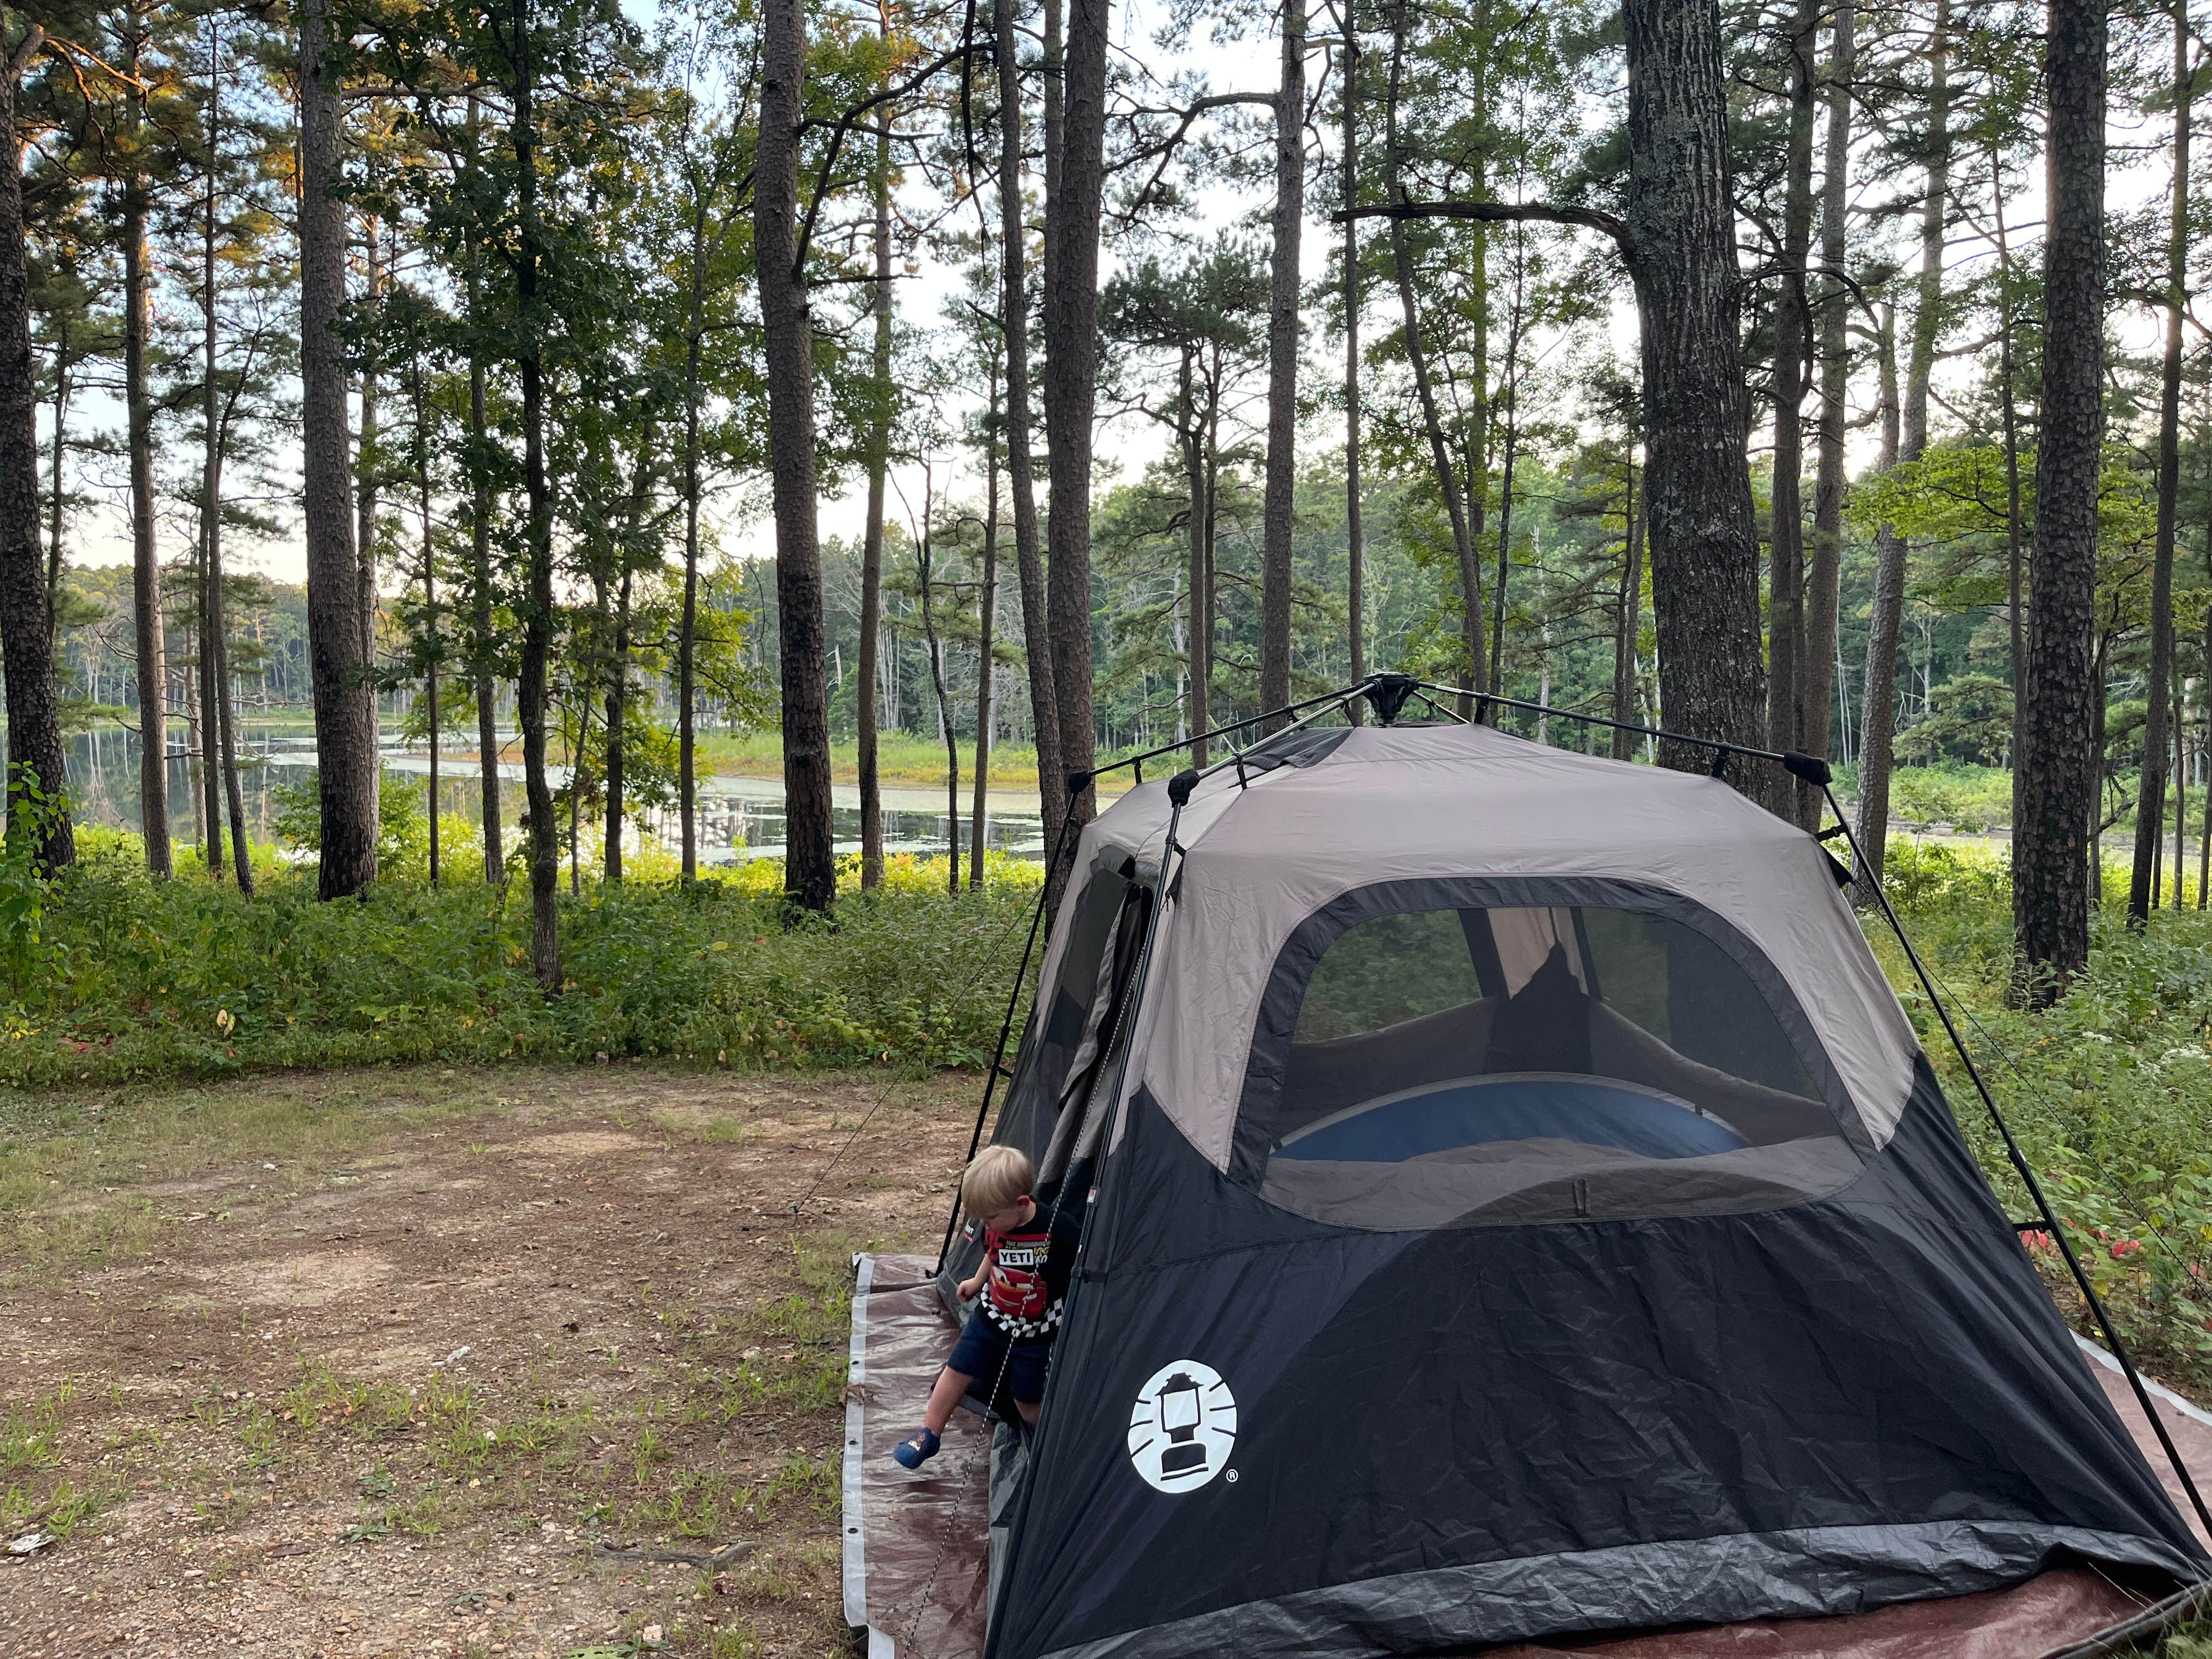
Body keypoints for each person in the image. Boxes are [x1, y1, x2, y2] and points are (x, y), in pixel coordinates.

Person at [893, 1144, 1081, 1470]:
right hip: (991, 1317)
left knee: (1027, 1400)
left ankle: (1048, 1446)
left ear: (1022, 1204)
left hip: (1035, 1331)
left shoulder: (1058, 1229)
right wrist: (977, 1282)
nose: (985, 1224)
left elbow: (1084, 1260)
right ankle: (929, 1432)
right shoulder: (996, 1225)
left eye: (990, 1217)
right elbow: (993, 1255)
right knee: (955, 1370)